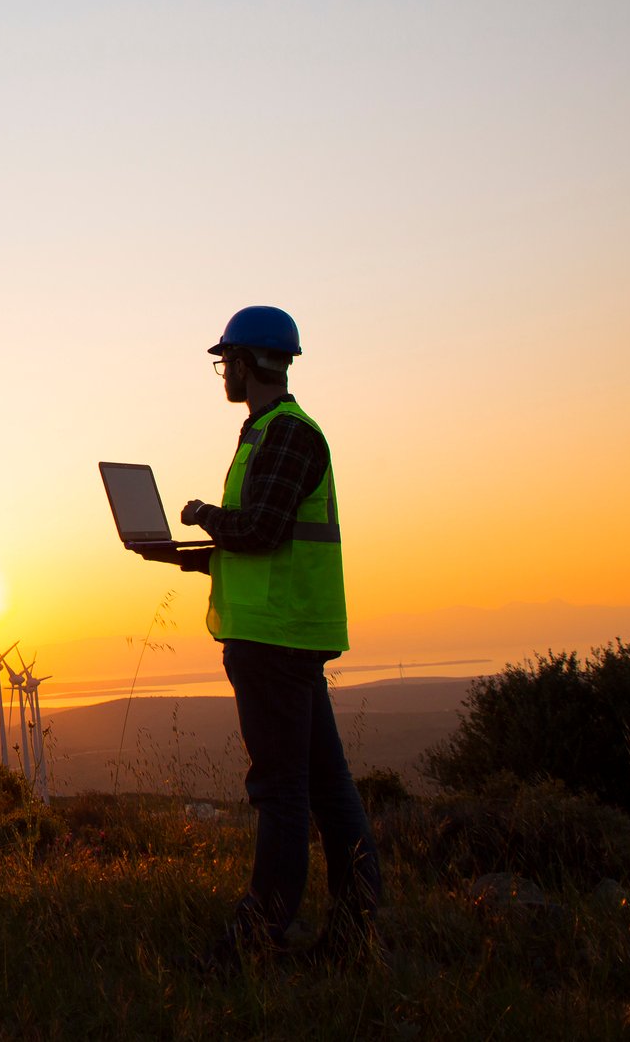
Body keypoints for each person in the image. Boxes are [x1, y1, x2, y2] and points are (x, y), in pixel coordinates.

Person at [134, 305, 381, 970]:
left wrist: (200, 514)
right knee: (325, 785)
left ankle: (256, 937)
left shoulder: (285, 435)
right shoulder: (269, 434)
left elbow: (259, 530)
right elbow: (256, 546)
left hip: (275, 639)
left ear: (246, 362)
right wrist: (175, 554)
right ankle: (356, 931)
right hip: (284, 633)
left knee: (281, 791)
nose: (222, 374)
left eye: (225, 362)